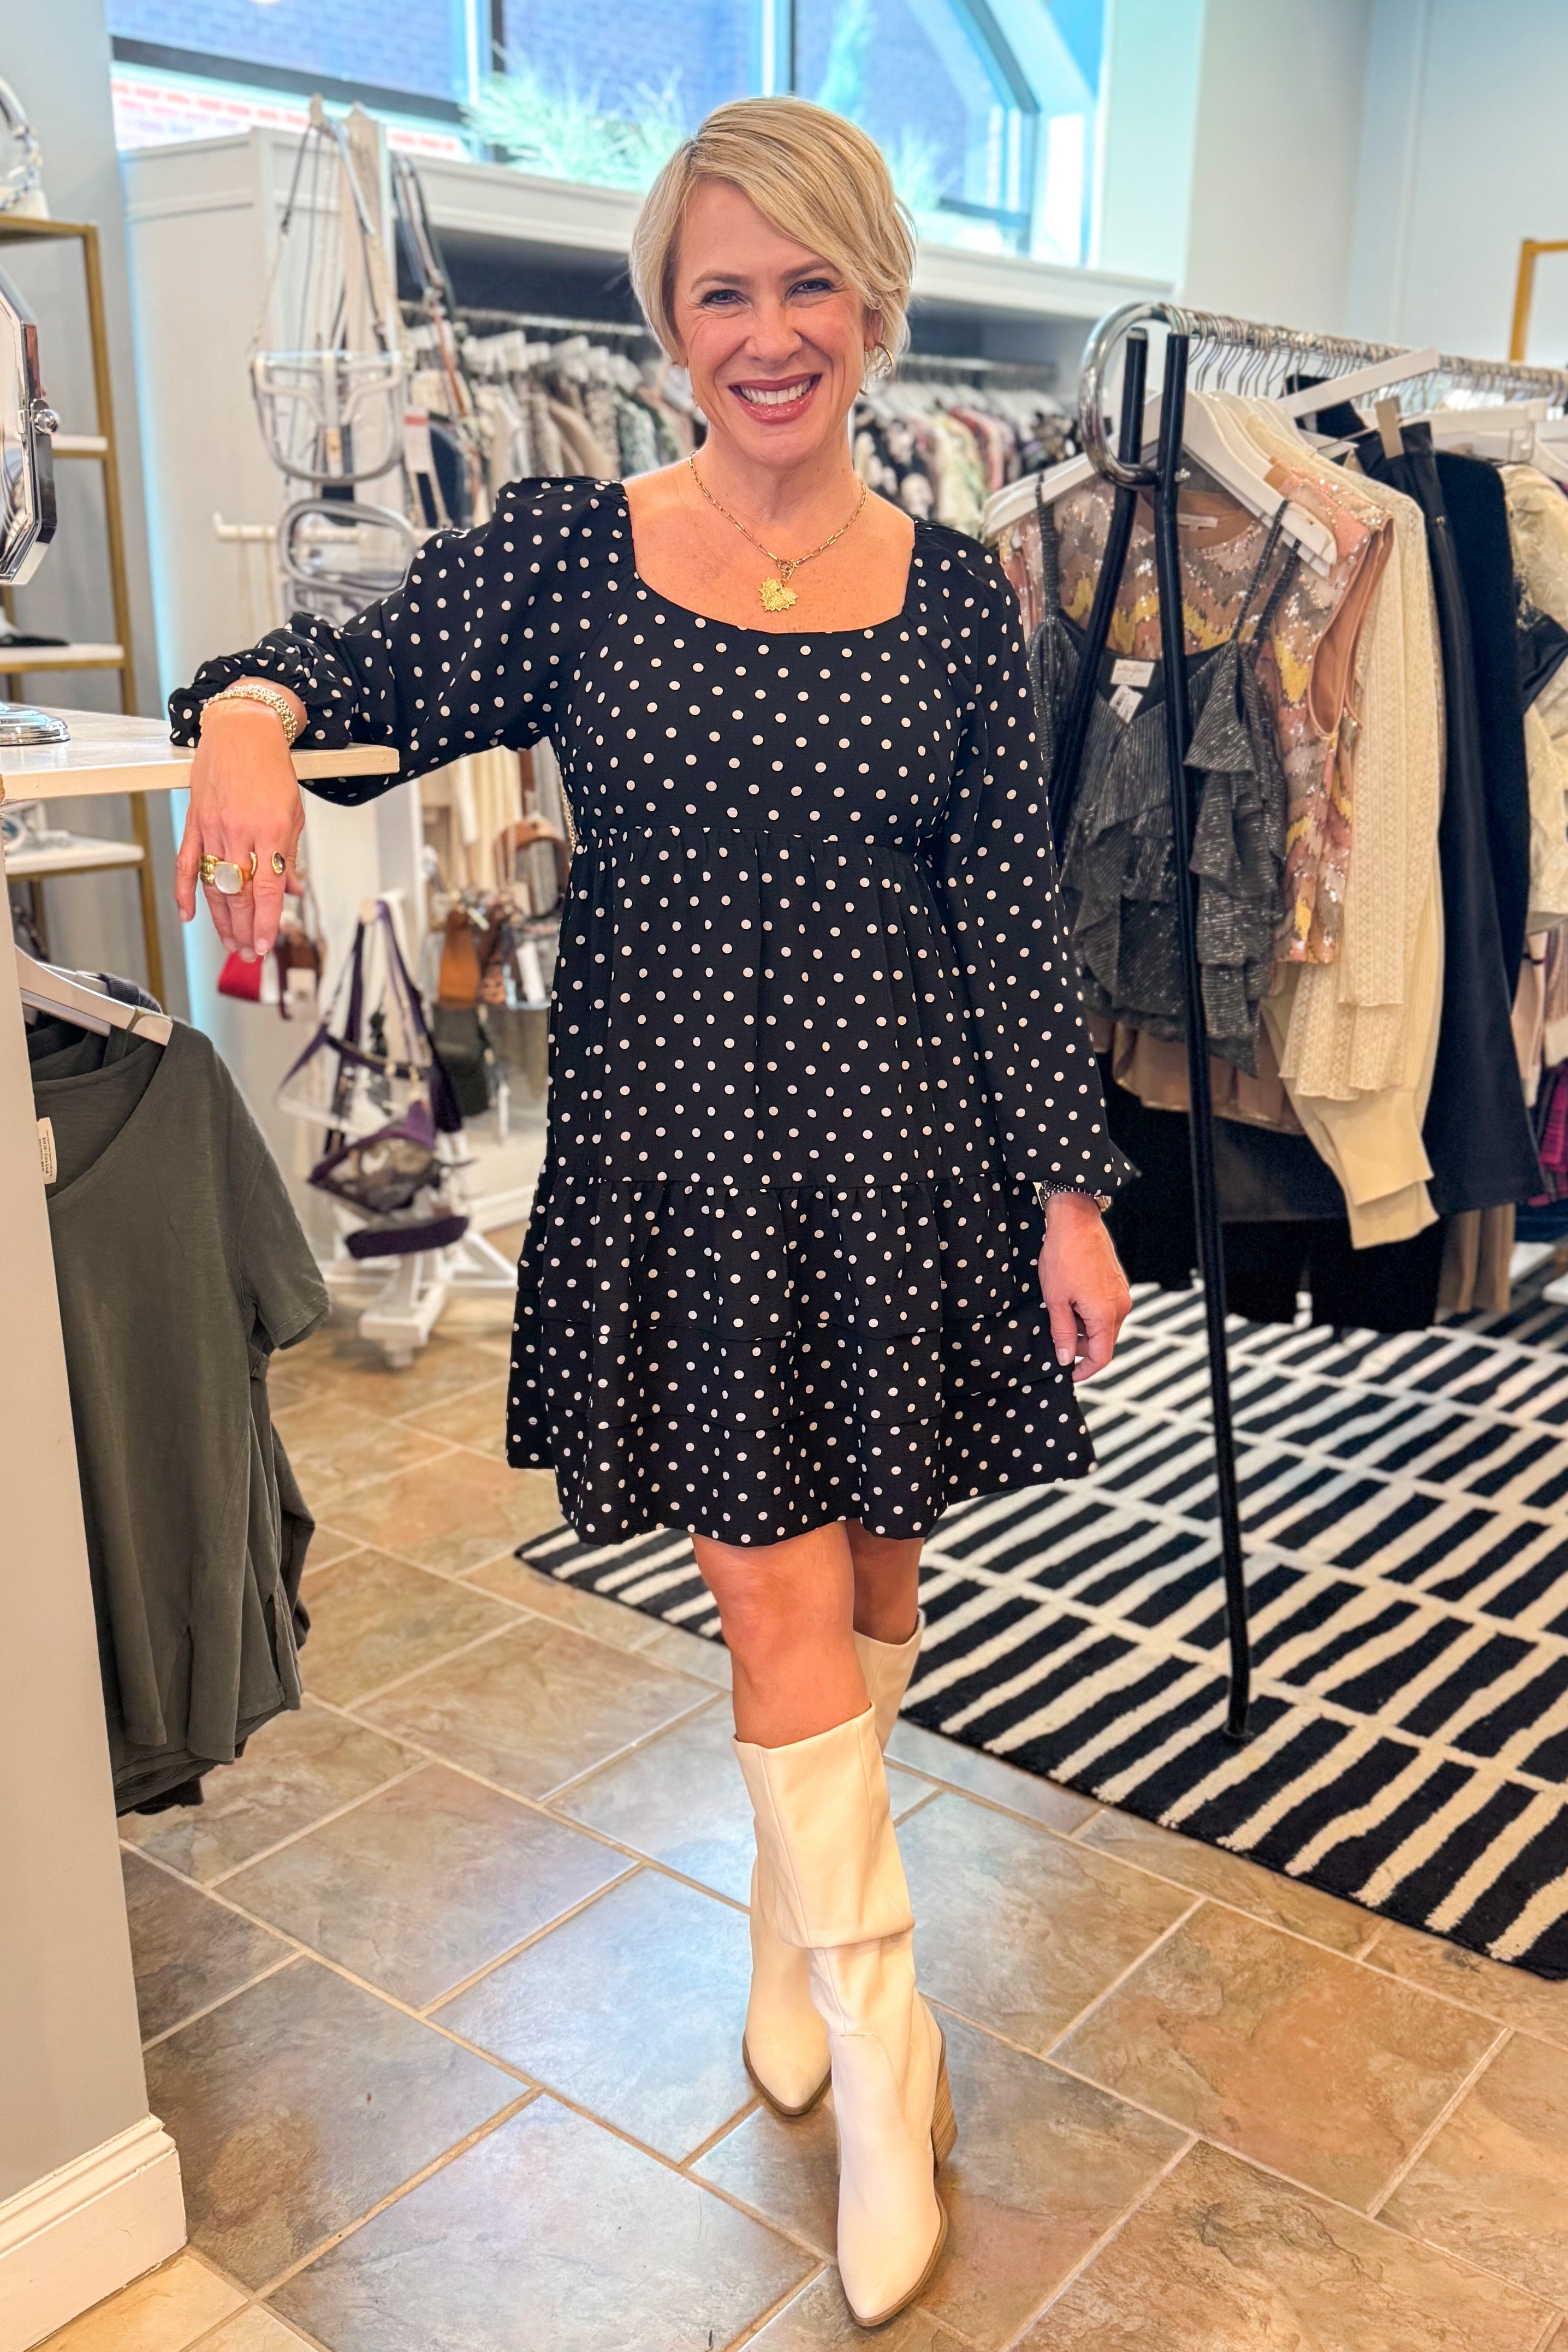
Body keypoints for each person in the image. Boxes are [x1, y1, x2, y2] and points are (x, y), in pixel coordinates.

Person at [169, 94, 1131, 2330]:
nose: (769, 333)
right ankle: (889, 2069)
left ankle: (801, 1951)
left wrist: (1067, 1193)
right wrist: (247, 709)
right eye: (725, 292)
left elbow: (1003, 913)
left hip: (910, 1159)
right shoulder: (572, 547)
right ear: (668, 320)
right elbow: (364, 659)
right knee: (779, 1595)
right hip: (681, 1160)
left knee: (869, 1570)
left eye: (810, 285)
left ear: (874, 306)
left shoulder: (962, 604)